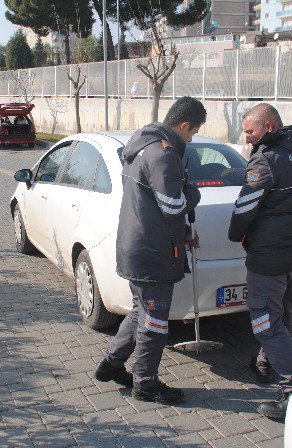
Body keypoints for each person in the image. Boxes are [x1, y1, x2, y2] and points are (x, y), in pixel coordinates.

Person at [94, 96, 206, 405]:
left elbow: (150, 206)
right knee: (154, 323)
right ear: (183, 125)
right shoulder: (163, 154)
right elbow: (171, 205)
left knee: (140, 311)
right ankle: (145, 384)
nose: (191, 139)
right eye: (192, 132)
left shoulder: (140, 146)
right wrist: (192, 193)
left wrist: (181, 232)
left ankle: (111, 364)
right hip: (153, 255)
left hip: (139, 246)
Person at [228, 103, 292, 419]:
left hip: (271, 253)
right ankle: (267, 360)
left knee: (263, 319)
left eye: (250, 131)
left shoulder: (266, 160)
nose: (247, 139)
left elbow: (246, 206)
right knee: (286, 306)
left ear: (268, 127)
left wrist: (235, 234)